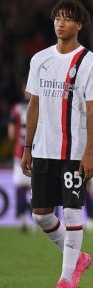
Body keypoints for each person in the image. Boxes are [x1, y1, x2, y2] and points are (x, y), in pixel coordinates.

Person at [21, 0, 93, 288]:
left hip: (73, 151)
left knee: (71, 211)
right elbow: (34, 103)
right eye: (57, 17)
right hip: (44, 149)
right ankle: (79, 258)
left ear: (79, 25)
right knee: (41, 215)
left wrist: (89, 152)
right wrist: (27, 147)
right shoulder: (40, 59)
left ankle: (65, 280)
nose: (60, 23)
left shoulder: (89, 62)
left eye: (67, 19)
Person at [8, 85, 32, 232]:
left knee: (21, 186)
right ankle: (36, 219)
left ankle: (22, 218)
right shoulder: (40, 106)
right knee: (36, 187)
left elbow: (11, 134)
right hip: (37, 152)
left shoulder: (16, 108)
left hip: (20, 152)